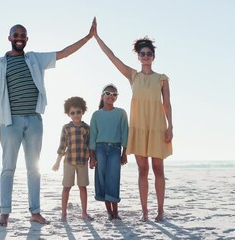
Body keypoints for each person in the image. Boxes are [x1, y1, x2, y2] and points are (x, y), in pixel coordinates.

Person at [0, 20, 95, 227]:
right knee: (8, 168)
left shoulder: (35, 59)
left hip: (34, 121)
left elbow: (63, 53)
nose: (19, 38)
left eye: (22, 35)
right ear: (9, 38)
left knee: (33, 169)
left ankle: (35, 212)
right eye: (15, 35)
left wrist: (88, 38)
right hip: (10, 122)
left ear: (26, 39)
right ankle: (4, 214)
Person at [93, 18, 173, 222]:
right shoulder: (133, 76)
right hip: (138, 128)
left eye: (149, 54)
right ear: (138, 57)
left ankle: (160, 210)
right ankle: (145, 212)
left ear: (153, 56)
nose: (146, 56)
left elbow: (167, 104)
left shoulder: (162, 78)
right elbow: (112, 57)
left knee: (158, 169)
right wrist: (96, 37)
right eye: (142, 54)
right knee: (142, 170)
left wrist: (170, 126)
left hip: (156, 127)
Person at [89, 84, 128, 221]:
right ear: (102, 96)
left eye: (114, 94)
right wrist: (91, 157)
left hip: (115, 150)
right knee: (102, 179)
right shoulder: (96, 115)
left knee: (114, 179)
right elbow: (92, 136)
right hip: (100, 149)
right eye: (108, 93)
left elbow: (125, 134)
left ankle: (116, 212)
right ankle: (109, 213)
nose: (111, 96)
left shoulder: (121, 113)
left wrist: (125, 153)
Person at [52, 96, 93, 222]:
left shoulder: (86, 128)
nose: (76, 115)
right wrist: (57, 162)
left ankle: (84, 213)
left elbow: (90, 145)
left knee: (83, 187)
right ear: (68, 114)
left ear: (83, 112)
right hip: (69, 162)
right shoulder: (66, 128)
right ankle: (63, 214)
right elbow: (62, 146)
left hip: (82, 162)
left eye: (78, 112)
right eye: (72, 113)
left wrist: (92, 159)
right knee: (66, 187)